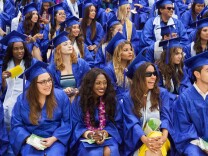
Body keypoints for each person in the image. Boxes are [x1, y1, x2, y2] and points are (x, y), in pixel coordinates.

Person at [10, 61, 71, 156]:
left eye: (49, 80)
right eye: (43, 82)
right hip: (31, 140)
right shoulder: (22, 100)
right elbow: (16, 125)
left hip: (55, 140)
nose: (48, 84)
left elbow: (67, 122)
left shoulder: (61, 96)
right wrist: (29, 139)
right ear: (33, 85)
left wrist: (53, 138)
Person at [120, 54, 174, 156]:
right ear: (139, 77)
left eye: (154, 73)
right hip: (138, 140)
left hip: (160, 137)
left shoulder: (162, 93)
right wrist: (145, 139)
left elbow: (165, 116)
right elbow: (132, 122)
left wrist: (164, 137)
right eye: (149, 74)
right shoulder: (128, 97)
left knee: (154, 150)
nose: (153, 77)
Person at [70, 68, 122, 156]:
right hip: (86, 138)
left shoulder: (111, 100)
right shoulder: (79, 101)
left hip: (107, 136)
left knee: (111, 150)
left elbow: (116, 122)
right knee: (93, 153)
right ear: (90, 84)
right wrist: (90, 135)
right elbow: (75, 124)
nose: (102, 86)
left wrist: (104, 133)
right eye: (98, 83)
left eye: (105, 83)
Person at [173, 52, 208, 156]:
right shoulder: (184, 98)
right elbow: (184, 128)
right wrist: (203, 145)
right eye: (207, 70)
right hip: (194, 143)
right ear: (197, 74)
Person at [0, 30, 36, 130]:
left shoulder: (30, 63)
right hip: (8, 99)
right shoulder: (7, 64)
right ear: (11, 51)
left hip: (25, 100)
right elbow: (5, 89)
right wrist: (3, 79)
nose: (20, 51)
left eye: (21, 48)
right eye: (16, 49)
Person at [47, 31, 90, 101]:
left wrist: (78, 89)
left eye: (70, 44)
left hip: (80, 99)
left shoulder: (81, 63)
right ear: (58, 49)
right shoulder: (52, 68)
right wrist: (63, 91)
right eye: (65, 44)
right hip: (61, 100)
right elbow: (51, 87)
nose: (70, 46)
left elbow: (89, 80)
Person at [104, 32, 135, 97]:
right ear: (118, 53)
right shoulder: (109, 69)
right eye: (125, 50)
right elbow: (111, 91)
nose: (130, 52)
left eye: (131, 49)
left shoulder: (133, 67)